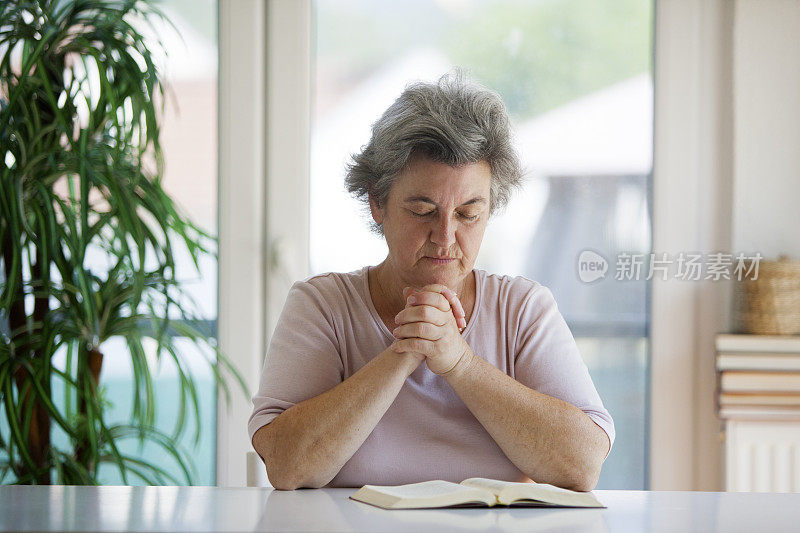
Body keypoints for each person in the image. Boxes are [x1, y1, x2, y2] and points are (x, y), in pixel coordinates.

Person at [249, 71, 614, 491]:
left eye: (468, 214)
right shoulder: (322, 305)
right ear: (377, 203)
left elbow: (582, 465)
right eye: (423, 211)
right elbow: (287, 467)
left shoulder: (522, 309)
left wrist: (458, 362)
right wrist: (405, 350)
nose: (445, 237)